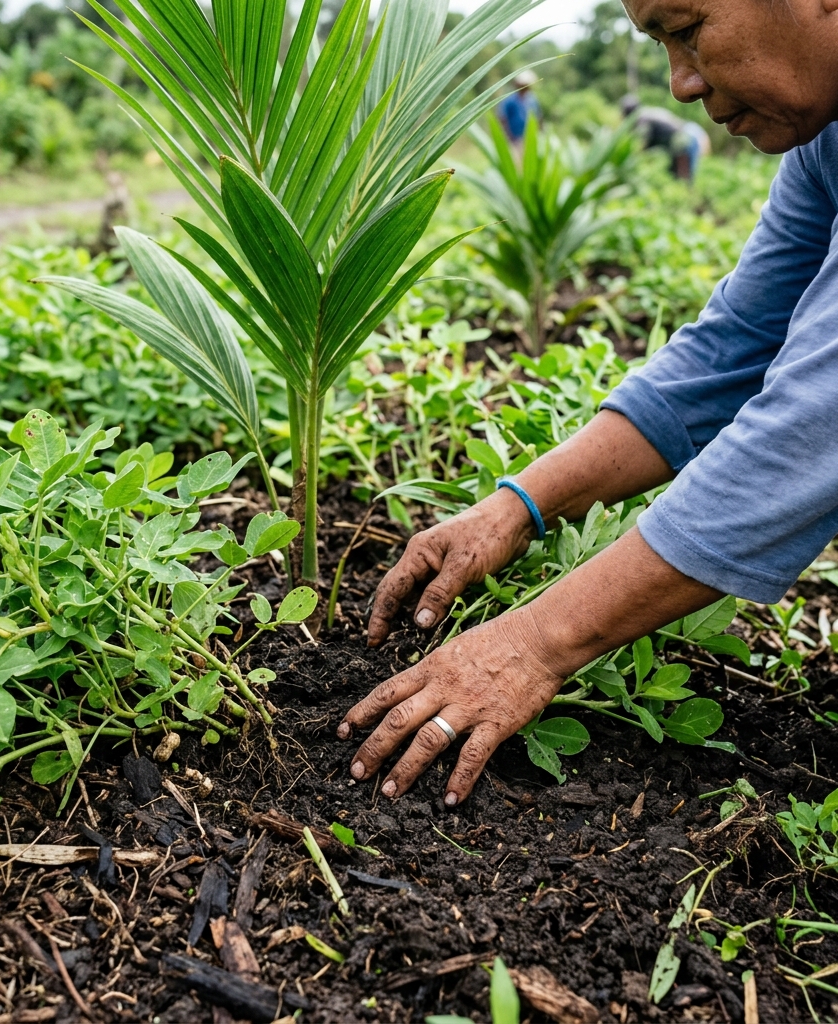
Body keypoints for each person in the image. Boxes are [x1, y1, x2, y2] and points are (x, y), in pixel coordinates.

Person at [338, 0, 838, 808]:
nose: (680, 83)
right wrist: (513, 510)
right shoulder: (827, 140)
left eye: (687, 27)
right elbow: (734, 349)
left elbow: (817, 420)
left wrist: (535, 642)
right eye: (658, 43)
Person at [622, 94, 711, 180]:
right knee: (676, 172)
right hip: (681, 136)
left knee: (683, 174)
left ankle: (685, 191)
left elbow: (643, 142)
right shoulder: (646, 112)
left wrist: (634, 158)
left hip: (681, 140)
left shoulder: (641, 118)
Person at [498, 69, 541, 155]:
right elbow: (503, 118)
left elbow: (538, 117)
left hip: (529, 138)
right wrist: (508, 137)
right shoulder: (509, 99)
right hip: (514, 139)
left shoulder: (532, 99)